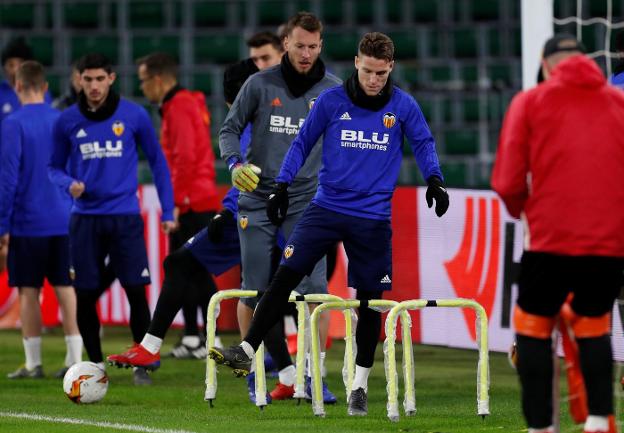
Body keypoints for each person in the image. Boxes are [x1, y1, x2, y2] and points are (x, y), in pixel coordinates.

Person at [209, 31, 449, 416]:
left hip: (372, 219)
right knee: (285, 275)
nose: (374, 80)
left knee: (370, 302)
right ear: (357, 63)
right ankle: (247, 350)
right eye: (369, 71)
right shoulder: (332, 101)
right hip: (325, 208)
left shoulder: (403, 105)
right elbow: (302, 142)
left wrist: (434, 178)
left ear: (391, 69)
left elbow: (423, 142)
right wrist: (283, 186)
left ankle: (359, 385)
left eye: (382, 74)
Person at [492, 34, 624, 433]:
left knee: (533, 330)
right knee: (593, 326)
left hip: (550, 242)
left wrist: (525, 211)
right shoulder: (619, 104)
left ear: (546, 64)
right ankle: (599, 421)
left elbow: (508, 181)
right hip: (606, 246)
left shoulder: (530, 102)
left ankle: (541, 426)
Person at [218, 11, 341, 403]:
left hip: (307, 199)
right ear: (285, 43)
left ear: (320, 46)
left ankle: (313, 378)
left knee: (316, 290)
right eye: (299, 45)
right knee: (253, 289)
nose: (306, 54)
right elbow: (229, 129)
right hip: (256, 197)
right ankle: (254, 373)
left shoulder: (335, 90)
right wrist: (235, 165)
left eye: (312, 46)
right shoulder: (258, 84)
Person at [49, 53, 175, 386]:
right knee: (86, 294)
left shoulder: (134, 115)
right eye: (87, 79)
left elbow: (159, 163)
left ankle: (142, 364)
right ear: (79, 80)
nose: (93, 86)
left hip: (124, 217)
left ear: (111, 78)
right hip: (85, 220)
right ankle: (93, 365)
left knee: (136, 290)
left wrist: (169, 210)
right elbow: (53, 167)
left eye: (99, 79)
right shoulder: (66, 121)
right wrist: (68, 184)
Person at [0, 61, 82, 379]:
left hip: (27, 221)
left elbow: (7, 179)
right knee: (66, 288)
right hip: (65, 219)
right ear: (45, 87)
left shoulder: (12, 124)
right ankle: (74, 360)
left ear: (17, 86)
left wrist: (2, 226)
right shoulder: (64, 120)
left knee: (28, 291)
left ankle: (34, 364)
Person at [136, 52, 220, 359]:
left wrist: (175, 204)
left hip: (192, 202)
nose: (142, 87)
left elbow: (184, 159)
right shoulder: (183, 103)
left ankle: (210, 339)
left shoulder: (180, 106)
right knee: (188, 272)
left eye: (143, 80)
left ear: (158, 79)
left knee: (189, 271)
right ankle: (193, 337)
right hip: (195, 198)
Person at [0, 37, 51, 125]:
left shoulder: (41, 93)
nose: (15, 69)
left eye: (20, 64)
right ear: (4, 67)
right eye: (11, 65)